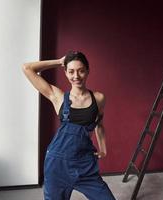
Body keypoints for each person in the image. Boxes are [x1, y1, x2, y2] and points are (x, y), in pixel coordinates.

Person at [22, 51, 116, 200]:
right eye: (71, 71)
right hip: (57, 165)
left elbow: (99, 125)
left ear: (88, 71)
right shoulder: (57, 96)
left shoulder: (98, 98)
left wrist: (103, 149)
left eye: (81, 71)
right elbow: (27, 68)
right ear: (65, 72)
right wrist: (59, 61)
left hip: (85, 164)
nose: (76, 76)